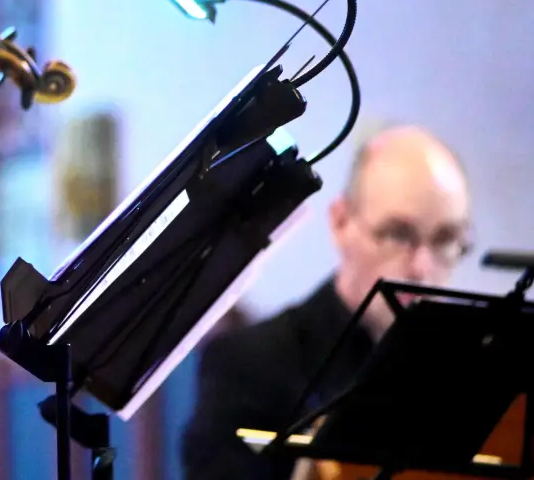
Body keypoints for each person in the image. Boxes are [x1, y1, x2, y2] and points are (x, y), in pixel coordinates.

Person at [179, 125, 474, 480]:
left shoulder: (474, 369)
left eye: (446, 238)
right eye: (399, 233)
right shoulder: (246, 365)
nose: (421, 268)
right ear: (340, 222)